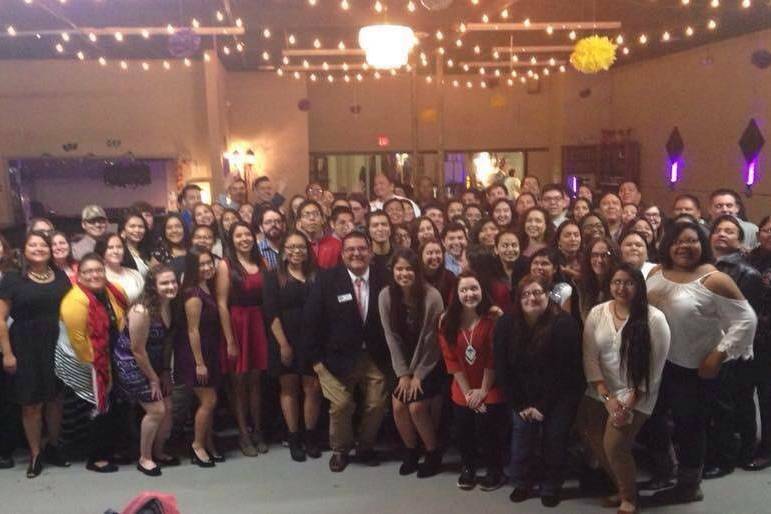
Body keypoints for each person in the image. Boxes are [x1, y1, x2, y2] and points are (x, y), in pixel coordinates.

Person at [647, 221, 757, 504]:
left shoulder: (713, 278)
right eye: (677, 241)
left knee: (689, 426)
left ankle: (688, 486)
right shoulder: (657, 272)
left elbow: (746, 320)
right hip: (659, 363)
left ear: (702, 244)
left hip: (692, 368)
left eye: (692, 241)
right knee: (651, 418)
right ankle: (666, 470)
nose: (684, 246)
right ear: (668, 245)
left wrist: (718, 354)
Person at [578, 264, 671, 514]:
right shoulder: (598, 313)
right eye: (616, 282)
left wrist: (627, 403)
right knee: (590, 431)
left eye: (629, 282)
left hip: (637, 392)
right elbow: (590, 358)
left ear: (639, 286)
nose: (622, 288)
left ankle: (629, 498)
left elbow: (654, 370)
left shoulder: (655, 319)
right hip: (602, 387)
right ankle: (622, 487)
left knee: (615, 444)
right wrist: (606, 396)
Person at [303, 231, 390, 472]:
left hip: (375, 356)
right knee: (341, 405)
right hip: (335, 358)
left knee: (376, 404)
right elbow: (311, 321)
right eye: (350, 249)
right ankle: (340, 450)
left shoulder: (385, 277)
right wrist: (317, 362)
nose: (356, 253)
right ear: (342, 254)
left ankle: (365, 446)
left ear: (370, 252)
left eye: (362, 248)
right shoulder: (327, 280)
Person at [494, 273, 583, 507]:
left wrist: (542, 406)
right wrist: (520, 404)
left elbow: (565, 373)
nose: (531, 298)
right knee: (522, 436)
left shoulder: (564, 324)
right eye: (525, 294)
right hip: (522, 395)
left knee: (555, 439)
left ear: (548, 295)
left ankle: (551, 485)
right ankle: (522, 482)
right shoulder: (506, 324)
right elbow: (502, 369)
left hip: (559, 394)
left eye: (537, 292)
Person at [0, 231, 72, 478]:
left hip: (57, 344)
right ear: (24, 249)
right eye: (33, 244)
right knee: (31, 404)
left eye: (44, 245)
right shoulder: (12, 278)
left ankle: (53, 446)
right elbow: (0, 319)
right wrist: (7, 353)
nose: (39, 248)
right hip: (25, 345)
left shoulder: (61, 277)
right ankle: (35, 453)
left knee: (55, 399)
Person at [703, 215, 765, 477]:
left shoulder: (747, 273)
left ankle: (730, 457)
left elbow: (745, 318)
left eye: (730, 231)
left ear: (740, 240)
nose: (722, 234)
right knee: (716, 402)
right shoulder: (703, 266)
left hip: (733, 348)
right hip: (706, 343)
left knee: (733, 402)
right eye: (718, 230)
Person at [58, 253, 128, 473]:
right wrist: (100, 368)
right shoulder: (75, 301)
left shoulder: (111, 291)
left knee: (111, 407)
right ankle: (96, 457)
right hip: (87, 361)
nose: (94, 275)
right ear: (80, 275)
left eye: (98, 270)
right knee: (96, 407)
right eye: (88, 271)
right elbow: (78, 342)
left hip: (110, 354)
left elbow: (121, 318)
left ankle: (109, 448)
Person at [379, 248, 445, 478]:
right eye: (399, 269)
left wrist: (417, 374)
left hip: (431, 361)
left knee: (416, 407)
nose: (404, 273)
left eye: (409, 269)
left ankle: (433, 451)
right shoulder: (386, 295)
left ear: (417, 271)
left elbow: (432, 339)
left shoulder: (432, 296)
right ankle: (410, 450)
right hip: (402, 363)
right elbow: (391, 337)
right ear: (393, 271)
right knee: (398, 405)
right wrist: (403, 373)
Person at [438, 271, 506, 491]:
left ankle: (495, 470)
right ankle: (467, 467)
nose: (469, 294)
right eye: (464, 290)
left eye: (474, 288)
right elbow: (451, 360)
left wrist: (482, 392)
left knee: (487, 424)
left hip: (490, 385)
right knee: (463, 424)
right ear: (455, 294)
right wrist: (469, 393)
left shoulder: (492, 319)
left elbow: (493, 358)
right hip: (463, 385)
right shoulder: (446, 322)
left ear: (481, 291)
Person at [113, 266, 179, 476]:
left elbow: (168, 341)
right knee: (156, 409)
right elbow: (137, 350)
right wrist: (153, 379)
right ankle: (145, 457)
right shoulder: (141, 310)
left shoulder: (170, 304)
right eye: (164, 283)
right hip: (131, 363)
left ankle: (158, 451)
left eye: (173, 282)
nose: (171, 286)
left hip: (156, 363)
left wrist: (166, 372)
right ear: (153, 286)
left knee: (168, 407)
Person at [263, 231, 322, 462]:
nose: (297, 251)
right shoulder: (273, 276)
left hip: (313, 340)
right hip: (284, 339)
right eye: (291, 247)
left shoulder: (318, 275)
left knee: (312, 389)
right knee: (288, 389)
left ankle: (310, 436)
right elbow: (271, 313)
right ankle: (294, 436)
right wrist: (284, 345)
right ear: (284, 251)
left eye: (301, 247)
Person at [215, 222, 269, 457]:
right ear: (232, 239)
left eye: (248, 234)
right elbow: (221, 303)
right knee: (238, 385)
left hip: (258, 323)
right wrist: (230, 340)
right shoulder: (226, 265)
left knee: (256, 382)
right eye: (239, 235)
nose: (244, 239)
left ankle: (257, 430)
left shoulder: (261, 262)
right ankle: (243, 434)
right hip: (237, 323)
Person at [174, 248, 223, 467]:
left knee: (210, 402)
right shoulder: (193, 294)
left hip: (209, 350)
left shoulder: (207, 286)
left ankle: (208, 442)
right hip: (195, 354)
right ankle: (197, 445)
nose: (207, 267)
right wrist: (200, 363)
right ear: (193, 267)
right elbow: (192, 330)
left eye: (209, 263)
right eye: (202, 264)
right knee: (208, 400)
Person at [746, 215, 771, 470]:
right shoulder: (749, 258)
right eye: (767, 230)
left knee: (767, 395)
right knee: (743, 393)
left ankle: (768, 447)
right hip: (748, 336)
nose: (770, 235)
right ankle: (748, 442)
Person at [578, 236, 620, 321]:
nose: (599, 260)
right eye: (594, 255)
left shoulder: (620, 286)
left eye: (604, 255)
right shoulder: (581, 286)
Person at [96, 234, 145, 304]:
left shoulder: (135, 274)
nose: (116, 251)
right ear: (102, 251)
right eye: (110, 248)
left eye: (119, 247)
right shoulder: (98, 277)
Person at [419, 240, 457, 304]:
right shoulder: (416, 276)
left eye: (438, 252)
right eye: (430, 253)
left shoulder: (450, 276)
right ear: (421, 256)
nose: (434, 257)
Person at [120, 211, 152, 278]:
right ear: (123, 230)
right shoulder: (120, 252)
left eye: (141, 227)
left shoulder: (148, 251)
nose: (137, 230)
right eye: (132, 226)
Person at [255, 207, 286, 272]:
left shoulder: (290, 247)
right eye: (268, 222)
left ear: (283, 225)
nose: (273, 225)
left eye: (278, 221)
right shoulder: (256, 251)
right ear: (261, 227)